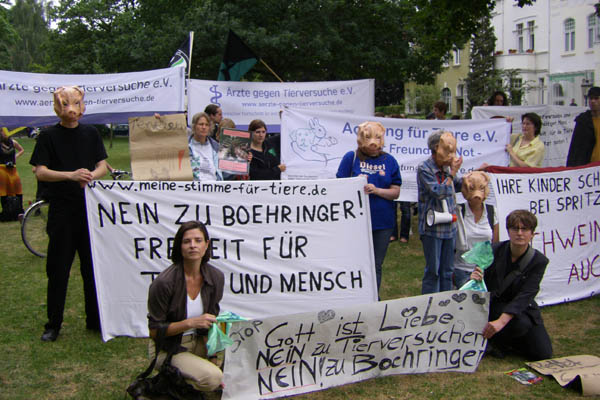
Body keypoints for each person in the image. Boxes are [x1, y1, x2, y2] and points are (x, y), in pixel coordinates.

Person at [29, 86, 108, 342]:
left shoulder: (91, 133)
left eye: (75, 104)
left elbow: (102, 165)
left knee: (91, 268)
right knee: (58, 269)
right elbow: (40, 171)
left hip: (88, 210)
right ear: (57, 106)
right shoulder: (48, 136)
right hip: (62, 211)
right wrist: (70, 175)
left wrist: (91, 176)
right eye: (65, 104)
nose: (71, 110)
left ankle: (95, 320)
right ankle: (53, 323)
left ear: (82, 106)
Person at [147, 221, 224, 392]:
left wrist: (212, 356)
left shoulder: (216, 277)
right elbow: (154, 332)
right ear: (179, 246)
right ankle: (164, 388)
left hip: (198, 343)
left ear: (207, 245)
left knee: (233, 369)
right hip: (168, 348)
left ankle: (180, 379)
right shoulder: (164, 283)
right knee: (213, 378)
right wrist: (189, 323)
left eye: (198, 240)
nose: (193, 246)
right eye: (187, 241)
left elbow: (210, 325)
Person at [470, 210, 553, 360]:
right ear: (508, 231)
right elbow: (479, 282)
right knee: (521, 324)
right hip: (494, 305)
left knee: (543, 353)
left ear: (532, 234)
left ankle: (504, 341)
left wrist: (501, 322)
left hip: (521, 306)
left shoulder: (539, 261)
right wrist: (475, 278)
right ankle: (498, 342)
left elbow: (527, 294)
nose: (519, 233)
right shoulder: (493, 250)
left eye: (524, 229)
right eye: (515, 228)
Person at [336, 121, 401, 293]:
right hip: (355, 222)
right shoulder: (351, 158)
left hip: (383, 223)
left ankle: (373, 298)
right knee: (354, 262)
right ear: (360, 140)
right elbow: (338, 187)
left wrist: (377, 190)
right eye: (369, 138)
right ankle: (353, 297)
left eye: (378, 138)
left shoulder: (390, 161)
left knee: (376, 264)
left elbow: (396, 192)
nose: (374, 144)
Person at [417, 131, 463, 294]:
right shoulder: (425, 168)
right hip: (432, 228)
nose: (451, 155)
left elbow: (458, 185)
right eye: (447, 150)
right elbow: (438, 191)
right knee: (433, 271)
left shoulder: (446, 168)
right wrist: (451, 174)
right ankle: (429, 303)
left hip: (449, 227)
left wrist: (474, 178)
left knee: (447, 271)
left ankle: (446, 302)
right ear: (437, 148)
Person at [453, 171, 499, 288]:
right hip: (461, 269)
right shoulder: (458, 210)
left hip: (484, 269)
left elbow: (495, 243)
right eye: (472, 188)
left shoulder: (492, 211)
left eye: (481, 188)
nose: (477, 195)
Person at [566, 86, 600, 166]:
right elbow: (576, 148)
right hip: (589, 168)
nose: (593, 101)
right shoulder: (583, 121)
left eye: (596, 98)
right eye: (591, 99)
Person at [189, 112, 223, 181]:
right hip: (194, 189)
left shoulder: (216, 147)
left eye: (207, 125)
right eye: (201, 124)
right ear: (194, 126)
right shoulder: (186, 147)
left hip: (214, 188)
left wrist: (244, 160)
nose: (204, 127)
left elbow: (227, 172)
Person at [0, 129, 25, 221]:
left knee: (18, 188)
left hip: (12, 169)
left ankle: (19, 210)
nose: (2, 133)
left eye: (2, 131)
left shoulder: (13, 142)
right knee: (3, 191)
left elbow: (21, 150)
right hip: (2, 169)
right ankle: (6, 211)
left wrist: (15, 157)